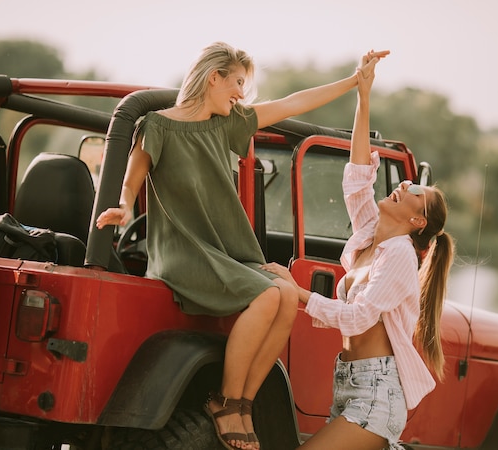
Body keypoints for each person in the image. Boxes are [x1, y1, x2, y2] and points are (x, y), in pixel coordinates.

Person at [96, 42, 390, 450]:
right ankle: (225, 400)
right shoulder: (156, 126)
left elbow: (292, 103)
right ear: (212, 76)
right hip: (182, 252)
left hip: (227, 249)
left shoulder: (229, 123)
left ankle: (243, 404)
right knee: (270, 295)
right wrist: (123, 209)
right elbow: (131, 180)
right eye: (236, 82)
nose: (241, 93)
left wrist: (356, 82)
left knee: (287, 295)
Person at [261, 51, 455, 450]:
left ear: (418, 221)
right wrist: (363, 96)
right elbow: (357, 178)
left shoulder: (401, 255)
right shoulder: (369, 236)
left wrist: (296, 291)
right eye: (408, 183)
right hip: (349, 383)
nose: (403, 185)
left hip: (377, 393)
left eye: (414, 191)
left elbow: (359, 316)